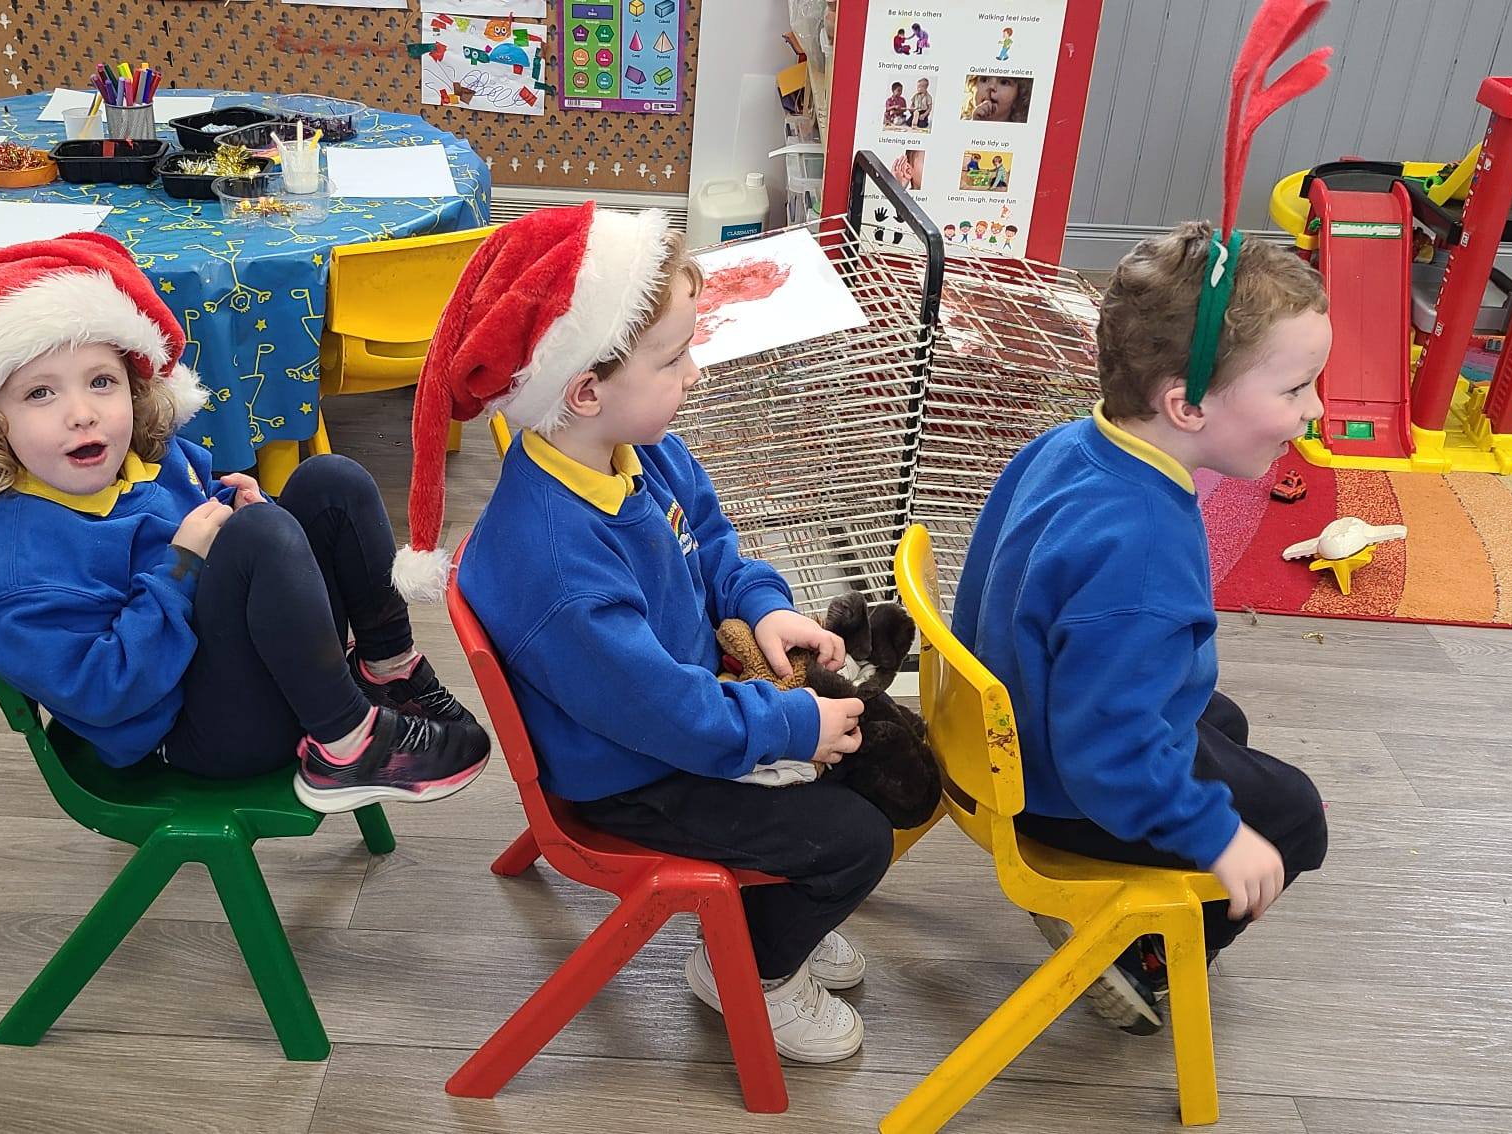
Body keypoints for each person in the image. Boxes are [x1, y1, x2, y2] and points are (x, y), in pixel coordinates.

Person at [394, 205, 894, 1065]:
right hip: (633, 775)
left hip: (677, 713)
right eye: (673, 359)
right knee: (856, 838)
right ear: (585, 390)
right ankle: (756, 970)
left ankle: (776, 913)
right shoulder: (560, 567)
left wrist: (764, 607)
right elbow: (665, 714)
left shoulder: (638, 450)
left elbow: (716, 546)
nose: (694, 374)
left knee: (858, 761)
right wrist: (788, 725)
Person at [0, 233, 489, 814]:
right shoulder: (4, 568)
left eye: (101, 382)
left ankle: (387, 671)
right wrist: (184, 565)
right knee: (260, 535)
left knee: (331, 482)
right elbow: (105, 693)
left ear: (135, 389)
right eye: (41, 393)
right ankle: (348, 747)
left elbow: (214, 525)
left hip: (231, 658)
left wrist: (245, 509)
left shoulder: (143, 456)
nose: (82, 414)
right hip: (182, 732)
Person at [954, 220, 1332, 1034]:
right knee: (1295, 815)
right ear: (1185, 405)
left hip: (1004, 731)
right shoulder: (1144, 554)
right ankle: (1142, 958)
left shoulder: (1070, 444)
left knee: (1221, 719)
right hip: (1063, 789)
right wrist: (1218, 837)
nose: (1315, 411)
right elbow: (1110, 754)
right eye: (1296, 390)